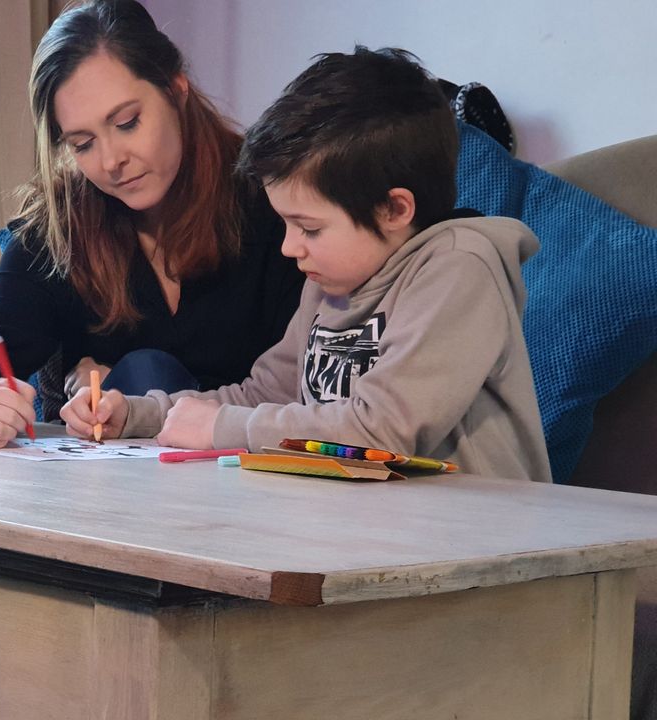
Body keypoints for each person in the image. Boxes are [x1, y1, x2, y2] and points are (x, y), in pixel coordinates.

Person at [62, 47, 553, 484]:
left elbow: (383, 432)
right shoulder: (332, 279)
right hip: (373, 537)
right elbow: (265, 393)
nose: (289, 248)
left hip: (481, 549)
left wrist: (221, 429)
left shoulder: (458, 267)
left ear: (394, 209)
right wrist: (139, 415)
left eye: (309, 228)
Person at [0, 0, 305, 448]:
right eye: (82, 144)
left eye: (127, 122)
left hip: (263, 482)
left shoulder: (275, 204)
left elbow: (312, 384)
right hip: (109, 505)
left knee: (147, 369)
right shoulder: (61, 228)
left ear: (176, 90)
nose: (110, 162)